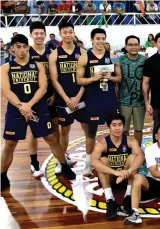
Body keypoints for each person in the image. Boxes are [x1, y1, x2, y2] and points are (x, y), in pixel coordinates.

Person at [1, 34, 76, 191]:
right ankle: (2, 176)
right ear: (12, 49)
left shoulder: (38, 66)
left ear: (28, 47)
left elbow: (43, 88)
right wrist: (22, 106)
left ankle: (63, 166)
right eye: (18, 47)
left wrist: (29, 105)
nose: (22, 50)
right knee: (9, 144)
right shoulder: (6, 68)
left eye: (24, 47)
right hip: (16, 109)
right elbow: (5, 90)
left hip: (37, 107)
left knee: (51, 138)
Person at [76, 28, 122, 176]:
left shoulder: (113, 56)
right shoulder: (84, 57)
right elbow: (79, 80)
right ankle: (88, 163)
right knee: (91, 133)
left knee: (115, 131)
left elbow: (119, 78)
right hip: (93, 100)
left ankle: (114, 159)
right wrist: (93, 79)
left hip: (109, 99)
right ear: (92, 40)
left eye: (103, 38)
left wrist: (110, 77)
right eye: (98, 38)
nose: (101, 41)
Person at [90, 114, 145, 219]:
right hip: (109, 178)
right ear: (109, 127)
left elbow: (141, 156)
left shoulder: (130, 140)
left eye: (120, 125)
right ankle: (110, 199)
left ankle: (128, 196)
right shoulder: (103, 143)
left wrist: (128, 171)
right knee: (102, 160)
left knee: (134, 157)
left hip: (125, 178)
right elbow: (93, 162)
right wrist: (114, 172)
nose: (117, 128)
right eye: (114, 125)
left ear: (123, 126)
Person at [49, 21, 88, 167]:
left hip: (82, 97)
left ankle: (90, 161)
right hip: (63, 100)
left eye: (70, 32)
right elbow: (54, 80)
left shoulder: (83, 52)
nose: (68, 35)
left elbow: (87, 78)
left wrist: (77, 97)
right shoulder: (54, 55)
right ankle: (62, 162)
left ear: (74, 33)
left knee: (87, 129)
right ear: (60, 34)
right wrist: (67, 99)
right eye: (65, 32)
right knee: (64, 130)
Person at [28, 21, 58, 178]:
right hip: (34, 97)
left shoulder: (51, 51)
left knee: (55, 127)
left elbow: (54, 76)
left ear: (45, 34)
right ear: (31, 35)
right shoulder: (26, 52)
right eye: (36, 33)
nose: (39, 36)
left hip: (51, 95)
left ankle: (60, 156)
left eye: (41, 33)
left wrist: (54, 93)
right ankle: (33, 163)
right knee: (33, 132)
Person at [119, 35, 146, 145]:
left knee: (139, 129)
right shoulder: (119, 60)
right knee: (124, 129)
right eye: (130, 45)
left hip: (140, 100)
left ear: (139, 46)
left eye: (136, 44)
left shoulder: (145, 60)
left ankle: (137, 150)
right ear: (125, 46)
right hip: (123, 100)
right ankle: (126, 149)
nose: (133, 47)